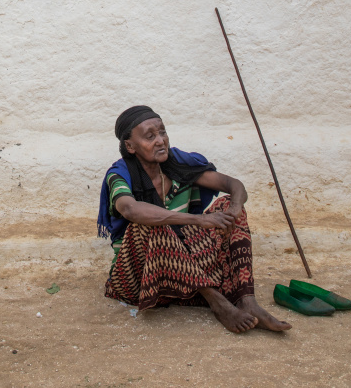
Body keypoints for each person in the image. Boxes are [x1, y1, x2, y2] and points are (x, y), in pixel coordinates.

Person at [98, 105, 291, 333]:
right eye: (150, 136)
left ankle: (246, 299)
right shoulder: (120, 174)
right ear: (129, 146)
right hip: (138, 278)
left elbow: (233, 185)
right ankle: (216, 301)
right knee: (149, 223)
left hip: (183, 270)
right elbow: (130, 210)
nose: (160, 140)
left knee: (228, 205)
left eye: (162, 132)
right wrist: (198, 220)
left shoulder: (177, 163)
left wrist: (235, 209)